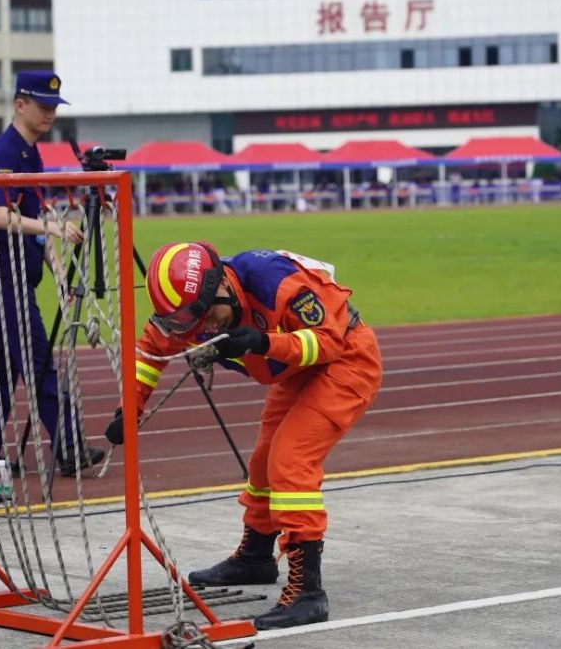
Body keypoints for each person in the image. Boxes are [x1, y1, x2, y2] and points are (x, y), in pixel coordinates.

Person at [106, 242, 382, 629]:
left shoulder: (275, 280)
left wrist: (263, 342)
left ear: (221, 286)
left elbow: (328, 341)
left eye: (207, 316)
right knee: (263, 463)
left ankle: (308, 593)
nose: (203, 328)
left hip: (346, 360)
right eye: (189, 322)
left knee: (290, 461)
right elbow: (151, 351)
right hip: (296, 370)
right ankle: (255, 557)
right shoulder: (188, 312)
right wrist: (129, 409)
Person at [0, 70, 104, 478]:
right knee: (38, 361)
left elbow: (36, 217)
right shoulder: (2, 154)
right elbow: (1, 217)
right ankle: (69, 447)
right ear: (19, 105)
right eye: (43, 106)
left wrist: (58, 273)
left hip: (18, 275)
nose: (50, 114)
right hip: (2, 273)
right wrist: (54, 228)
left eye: (53, 107)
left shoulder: (30, 153)